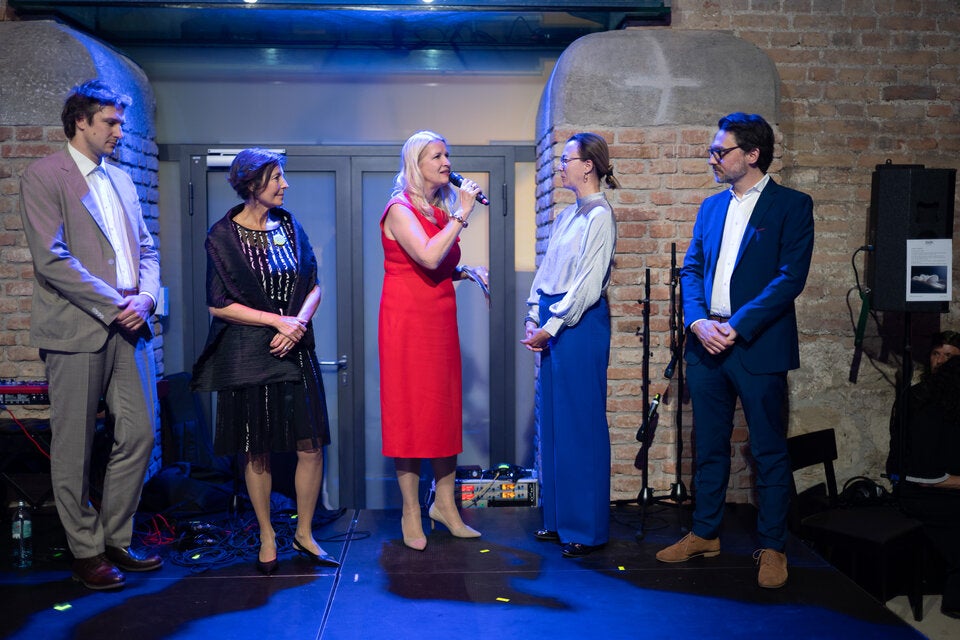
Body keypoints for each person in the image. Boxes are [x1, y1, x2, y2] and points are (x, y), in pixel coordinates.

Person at [655, 113, 815, 589]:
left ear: (752, 154)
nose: (712, 158)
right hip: (706, 344)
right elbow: (691, 269)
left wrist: (737, 326)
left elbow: (790, 278)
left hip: (758, 345)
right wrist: (698, 321)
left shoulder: (792, 205)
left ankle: (773, 547)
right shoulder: (710, 207)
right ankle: (705, 533)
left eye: (719, 151)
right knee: (708, 445)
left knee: (768, 450)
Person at [19, 79, 163, 589]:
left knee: (141, 434)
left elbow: (147, 249)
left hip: (131, 324)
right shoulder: (44, 175)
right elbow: (51, 259)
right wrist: (116, 304)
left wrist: (147, 299)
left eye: (120, 122)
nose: (119, 132)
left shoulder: (121, 179)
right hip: (78, 326)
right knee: (74, 446)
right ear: (81, 121)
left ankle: (115, 537)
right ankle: (84, 549)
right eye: (111, 122)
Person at [191, 148, 338, 573]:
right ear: (252, 184)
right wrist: (276, 321)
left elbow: (314, 285)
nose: (284, 185)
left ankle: (304, 533)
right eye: (276, 178)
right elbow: (217, 303)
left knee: (310, 446)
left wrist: (298, 323)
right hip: (249, 356)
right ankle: (267, 535)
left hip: (296, 350)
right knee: (256, 450)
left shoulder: (289, 226)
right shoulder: (223, 236)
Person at [378, 130, 488, 551]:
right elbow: (425, 256)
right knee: (409, 413)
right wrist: (463, 212)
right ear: (416, 164)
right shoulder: (399, 209)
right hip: (406, 322)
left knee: (442, 411)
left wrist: (466, 272)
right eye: (437, 156)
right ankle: (410, 511)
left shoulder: (439, 212)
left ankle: (445, 506)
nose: (446, 162)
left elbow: (437, 264)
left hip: (439, 319)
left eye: (447, 155)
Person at [521, 132, 619, 558]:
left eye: (566, 159)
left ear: (588, 165)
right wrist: (532, 312)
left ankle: (586, 527)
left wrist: (553, 323)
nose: (560, 166)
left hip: (578, 324)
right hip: (554, 318)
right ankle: (559, 519)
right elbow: (548, 271)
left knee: (581, 423)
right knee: (556, 422)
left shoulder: (600, 215)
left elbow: (588, 283)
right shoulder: (567, 215)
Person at [890, 330, 960, 618]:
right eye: (936, 354)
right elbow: (921, 474)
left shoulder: (951, 399)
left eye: (949, 357)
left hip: (939, 487)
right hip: (919, 491)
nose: (940, 362)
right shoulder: (919, 400)